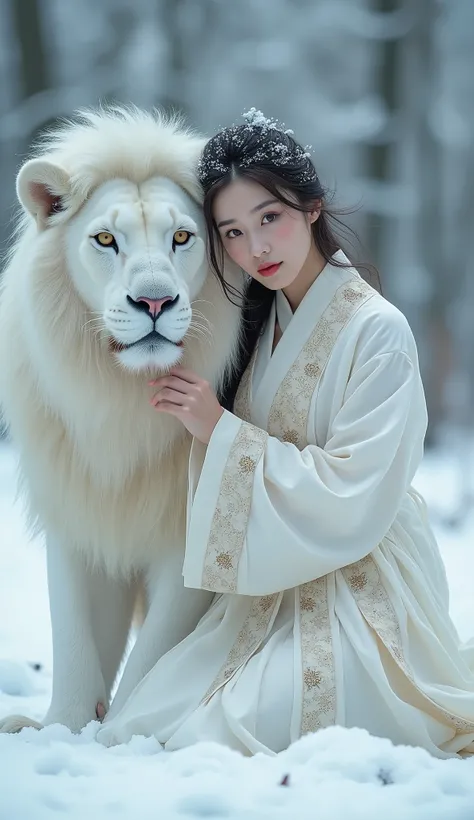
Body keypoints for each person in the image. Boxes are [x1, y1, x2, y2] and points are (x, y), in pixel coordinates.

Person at [96, 109, 474, 758]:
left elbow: (355, 488)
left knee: (243, 722)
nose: (256, 249)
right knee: (147, 719)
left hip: (362, 576)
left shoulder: (378, 331)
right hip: (266, 577)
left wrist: (219, 429)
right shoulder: (256, 321)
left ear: (312, 206)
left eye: (269, 218)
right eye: (233, 232)